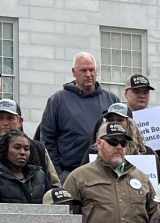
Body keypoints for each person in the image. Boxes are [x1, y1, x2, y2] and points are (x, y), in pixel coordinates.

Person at [64, 122, 156, 223]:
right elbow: (66, 219)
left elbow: (155, 214)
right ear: (99, 143)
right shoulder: (78, 177)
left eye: (123, 143)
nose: (118, 147)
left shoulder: (142, 178)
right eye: (113, 142)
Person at [39, 52, 120, 181]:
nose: (88, 74)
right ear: (73, 72)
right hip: (70, 172)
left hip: (106, 173)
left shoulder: (111, 99)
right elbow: (47, 139)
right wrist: (58, 172)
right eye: (83, 70)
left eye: (91, 70)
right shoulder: (57, 100)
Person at [0, 99, 61, 202]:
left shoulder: (39, 149)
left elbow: (54, 183)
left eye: (10, 118)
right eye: (0, 118)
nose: (5, 123)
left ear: (20, 122)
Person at [80, 104, 160, 181]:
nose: (114, 123)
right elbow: (81, 178)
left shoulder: (145, 153)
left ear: (130, 124)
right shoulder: (94, 150)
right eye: (111, 120)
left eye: (120, 120)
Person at [0, 130, 52, 204]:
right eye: (17, 148)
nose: (22, 152)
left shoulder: (39, 174)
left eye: (26, 149)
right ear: (6, 150)